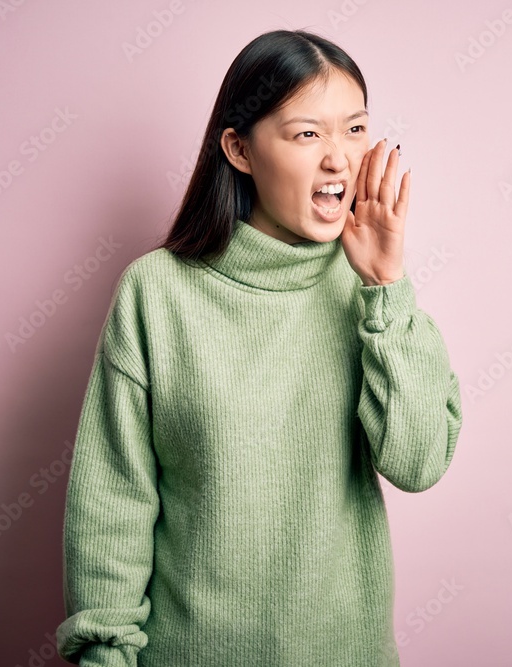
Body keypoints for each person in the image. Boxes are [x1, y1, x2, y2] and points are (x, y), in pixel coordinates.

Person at [55, 28, 463, 667]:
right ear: (239, 149)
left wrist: (386, 287)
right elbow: (113, 504)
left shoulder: (371, 288)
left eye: (355, 129)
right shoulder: (156, 293)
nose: (340, 159)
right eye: (308, 134)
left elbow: (417, 462)